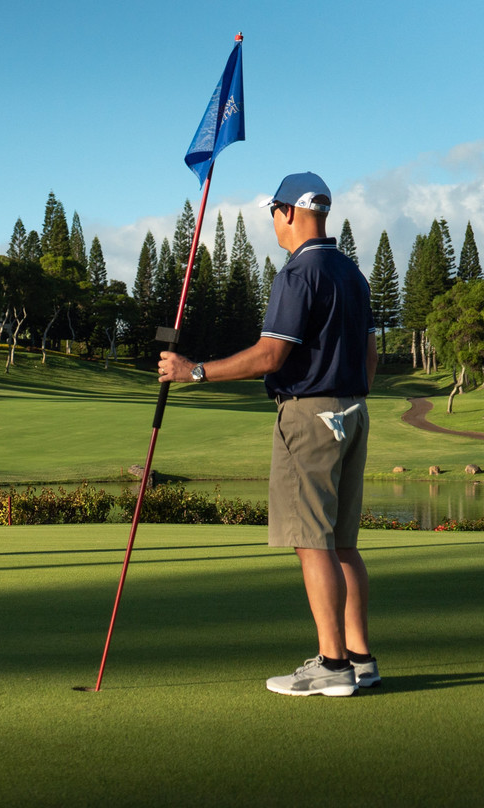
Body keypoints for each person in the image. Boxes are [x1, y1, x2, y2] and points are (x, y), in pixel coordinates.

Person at [157, 172, 379, 697]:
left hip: (309, 415)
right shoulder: (352, 273)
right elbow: (370, 355)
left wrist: (195, 371)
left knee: (312, 542)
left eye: (274, 213)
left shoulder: (298, 273)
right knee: (344, 543)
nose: (273, 225)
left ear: (291, 212)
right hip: (354, 410)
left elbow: (270, 355)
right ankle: (361, 660)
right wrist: (347, 394)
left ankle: (331, 665)